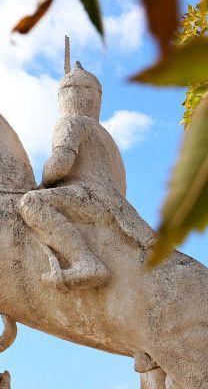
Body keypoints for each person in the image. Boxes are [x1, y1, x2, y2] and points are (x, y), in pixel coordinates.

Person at [17, 54, 129, 288]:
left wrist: (43, 183)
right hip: (116, 205)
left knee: (31, 203)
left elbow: (61, 164)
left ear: (64, 97)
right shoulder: (107, 137)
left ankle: (85, 261)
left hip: (89, 197)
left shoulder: (70, 122)